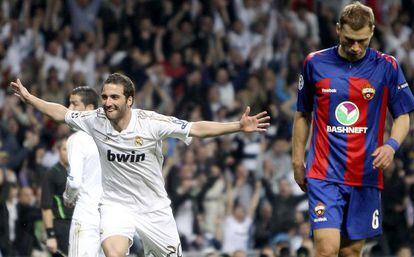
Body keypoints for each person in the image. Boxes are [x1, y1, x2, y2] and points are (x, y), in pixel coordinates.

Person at [10, 72, 270, 257]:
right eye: (104, 97)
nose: (108, 102)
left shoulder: (151, 123)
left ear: (130, 100)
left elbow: (196, 129)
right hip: (115, 204)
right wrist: (30, 98)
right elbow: (61, 113)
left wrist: (237, 126)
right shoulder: (95, 120)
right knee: (113, 252)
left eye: (114, 97)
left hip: (153, 207)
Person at [292, 2, 414, 257]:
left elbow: (402, 115)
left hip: (365, 174)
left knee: (351, 252)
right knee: (326, 249)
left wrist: (391, 146)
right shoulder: (315, 63)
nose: (355, 47)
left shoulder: (387, 67)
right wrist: (296, 162)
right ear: (338, 30)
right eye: (349, 40)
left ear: (371, 32)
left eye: (362, 40)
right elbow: (303, 114)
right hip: (324, 173)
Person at [62, 87, 102, 257]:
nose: (69, 109)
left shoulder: (77, 139)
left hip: (87, 216)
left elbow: (74, 181)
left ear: (89, 108)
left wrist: (68, 197)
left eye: (74, 104)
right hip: (112, 217)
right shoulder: (110, 135)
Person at [41, 137, 73, 257]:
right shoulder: (52, 173)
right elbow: (46, 207)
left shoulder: (79, 173)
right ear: (59, 150)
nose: (69, 153)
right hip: (61, 226)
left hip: (80, 224)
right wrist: (50, 235)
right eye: (65, 149)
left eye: (71, 149)